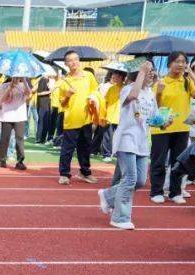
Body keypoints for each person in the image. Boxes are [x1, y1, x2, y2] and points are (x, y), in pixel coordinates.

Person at [98, 60, 156, 230]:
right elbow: (132, 96)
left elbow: (153, 117)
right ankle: (120, 217)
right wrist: (142, 73)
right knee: (130, 178)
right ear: (138, 73)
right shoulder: (127, 89)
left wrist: (163, 121)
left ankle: (108, 196)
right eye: (148, 71)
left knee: (140, 181)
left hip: (142, 142)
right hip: (126, 139)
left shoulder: (150, 93)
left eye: (152, 71)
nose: (151, 74)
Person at [151, 51, 195, 204]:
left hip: (182, 128)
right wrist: (158, 93)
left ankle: (175, 192)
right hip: (162, 127)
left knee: (178, 162)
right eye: (177, 61)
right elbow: (156, 107)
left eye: (183, 61)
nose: (180, 64)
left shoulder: (187, 82)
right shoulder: (161, 82)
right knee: (159, 161)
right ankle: (156, 191)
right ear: (169, 64)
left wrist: (192, 75)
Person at [55, 51, 100, 184]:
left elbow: (95, 91)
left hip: (86, 118)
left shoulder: (88, 76)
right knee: (67, 149)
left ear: (79, 60)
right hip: (71, 120)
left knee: (85, 148)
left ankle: (85, 172)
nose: (74, 62)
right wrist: (67, 95)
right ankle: (64, 174)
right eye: (70, 60)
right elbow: (62, 104)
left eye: (76, 59)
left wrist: (94, 98)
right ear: (66, 64)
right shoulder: (64, 82)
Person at [0, 76, 31, 170]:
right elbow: (1, 99)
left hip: (20, 116)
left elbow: (28, 95)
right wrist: (10, 87)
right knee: (5, 138)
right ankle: (2, 159)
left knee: (19, 138)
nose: (17, 78)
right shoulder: (4, 86)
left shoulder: (23, 85)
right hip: (7, 116)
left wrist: (24, 81)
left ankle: (20, 161)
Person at [97, 65, 127, 162]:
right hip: (110, 116)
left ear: (121, 77)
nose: (113, 77)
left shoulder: (126, 88)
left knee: (120, 136)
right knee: (107, 136)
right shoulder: (111, 88)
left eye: (115, 75)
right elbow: (105, 102)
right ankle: (107, 154)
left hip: (121, 116)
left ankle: (119, 153)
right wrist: (103, 115)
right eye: (113, 75)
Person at [34, 73, 54, 144]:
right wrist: (49, 91)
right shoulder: (43, 80)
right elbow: (39, 93)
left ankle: (43, 139)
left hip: (47, 104)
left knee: (46, 122)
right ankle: (39, 139)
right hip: (42, 104)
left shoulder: (48, 80)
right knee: (42, 122)